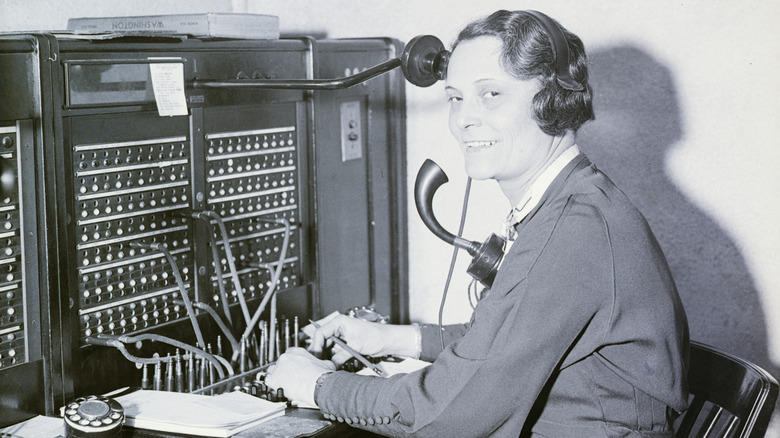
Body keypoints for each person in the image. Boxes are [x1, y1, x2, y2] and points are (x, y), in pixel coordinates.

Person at [266, 9, 689, 437]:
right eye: (455, 97)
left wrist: (316, 385)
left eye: (490, 94)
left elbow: (449, 417)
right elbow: (502, 339)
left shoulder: (574, 230)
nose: (463, 119)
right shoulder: (572, 202)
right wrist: (390, 339)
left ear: (553, 100)